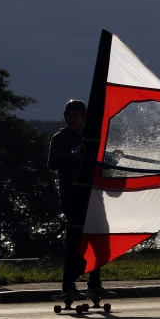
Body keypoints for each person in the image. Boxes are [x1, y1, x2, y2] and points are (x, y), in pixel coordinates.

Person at [48, 99, 116, 301]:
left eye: (77, 115)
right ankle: (68, 286)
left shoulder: (92, 138)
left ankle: (94, 285)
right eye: (70, 116)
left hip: (94, 197)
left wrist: (113, 158)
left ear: (84, 117)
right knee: (75, 243)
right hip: (71, 196)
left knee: (98, 240)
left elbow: (103, 165)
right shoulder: (60, 138)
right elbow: (52, 164)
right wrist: (71, 154)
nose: (73, 119)